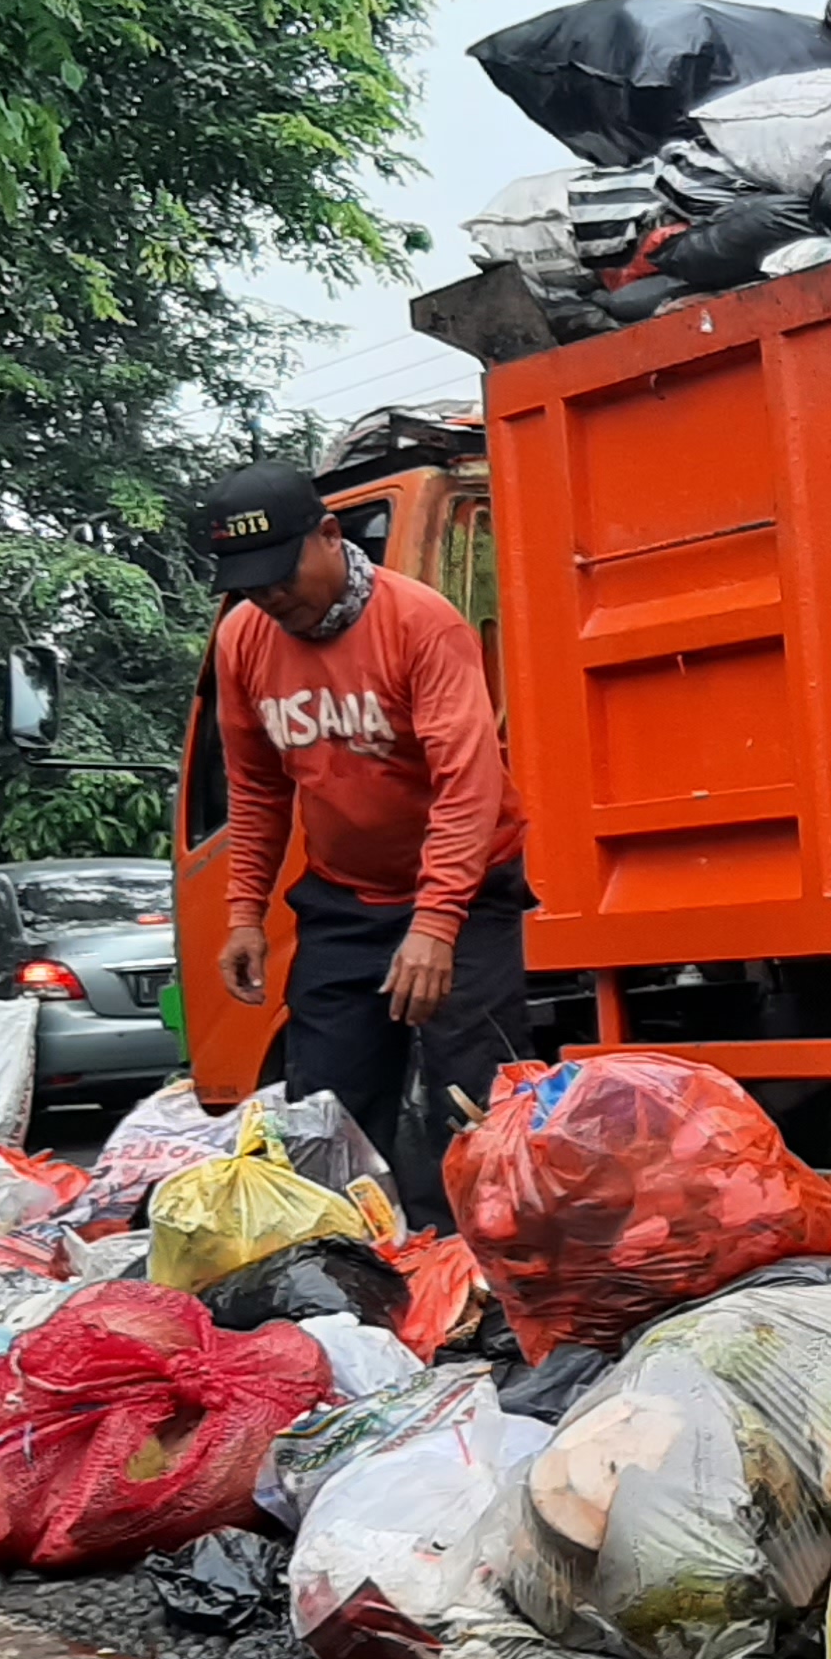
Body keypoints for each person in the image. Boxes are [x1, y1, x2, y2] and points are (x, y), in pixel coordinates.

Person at [200, 460, 535, 1232]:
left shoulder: (421, 624)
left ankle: (487, 1282)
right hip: (345, 899)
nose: (269, 598)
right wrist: (244, 914)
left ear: (327, 536)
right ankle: (357, 1287)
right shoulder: (244, 640)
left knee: (473, 1106)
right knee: (327, 1116)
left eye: (280, 576)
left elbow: (468, 786)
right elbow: (256, 790)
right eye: (249, 585)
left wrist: (436, 923)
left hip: (467, 894)